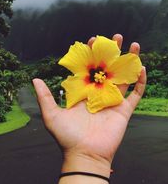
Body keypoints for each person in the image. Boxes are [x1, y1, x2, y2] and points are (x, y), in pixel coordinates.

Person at [33, 34, 147, 184]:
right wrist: (90, 161)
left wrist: (86, 162)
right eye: (99, 75)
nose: (100, 76)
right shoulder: (83, 74)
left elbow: (130, 67)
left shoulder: (115, 74)